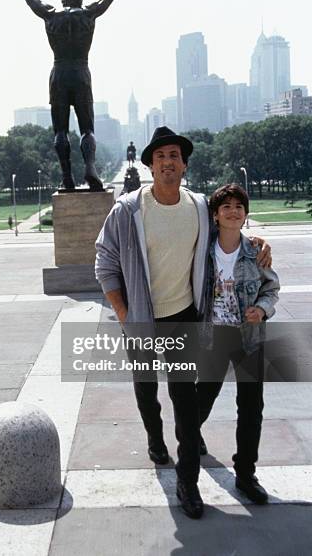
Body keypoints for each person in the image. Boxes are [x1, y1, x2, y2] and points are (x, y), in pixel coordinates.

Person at [95, 126, 272, 519]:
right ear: (150, 166)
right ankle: (156, 440)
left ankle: (187, 482)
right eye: (160, 157)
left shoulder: (196, 208)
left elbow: (231, 228)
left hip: (181, 317)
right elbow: (104, 261)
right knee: (145, 388)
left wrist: (259, 240)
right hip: (140, 317)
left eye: (174, 155)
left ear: (184, 164)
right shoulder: (128, 210)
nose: (167, 162)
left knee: (184, 400)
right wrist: (124, 314)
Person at [196, 184, 280, 504]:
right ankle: (191, 435)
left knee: (250, 407)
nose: (233, 211)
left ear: (245, 214)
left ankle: (246, 473)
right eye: (226, 206)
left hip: (249, 338)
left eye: (239, 206)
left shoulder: (255, 252)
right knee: (204, 393)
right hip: (214, 335)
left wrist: (262, 309)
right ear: (215, 215)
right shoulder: (202, 251)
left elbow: (271, 289)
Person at [17, 0, 126, 190]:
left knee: (60, 131)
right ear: (80, 1)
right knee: (87, 129)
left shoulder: (51, 15)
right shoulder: (88, 14)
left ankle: (67, 177)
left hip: (58, 74)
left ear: (64, 1)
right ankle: (90, 169)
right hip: (81, 73)